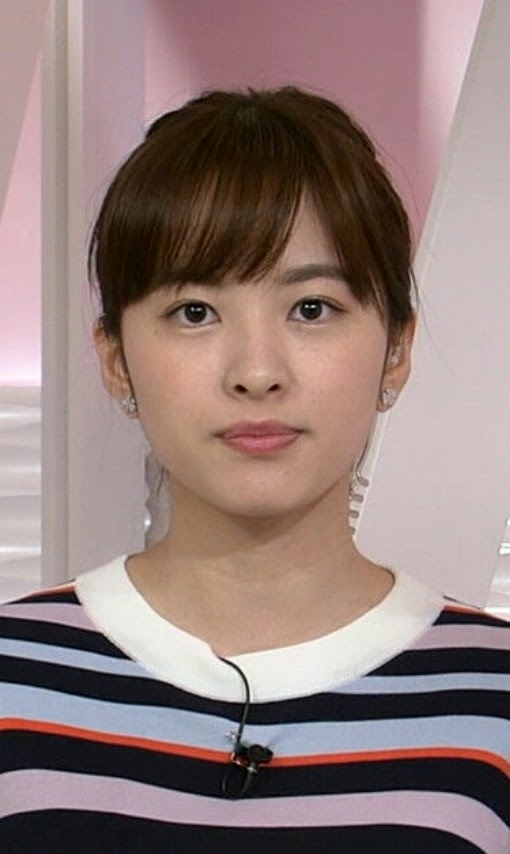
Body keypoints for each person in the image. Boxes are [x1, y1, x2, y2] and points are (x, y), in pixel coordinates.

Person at [0, 86, 508, 853]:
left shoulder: (493, 697)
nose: (257, 372)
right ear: (116, 360)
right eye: (195, 312)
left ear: (396, 349)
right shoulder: (15, 678)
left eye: (312, 308)